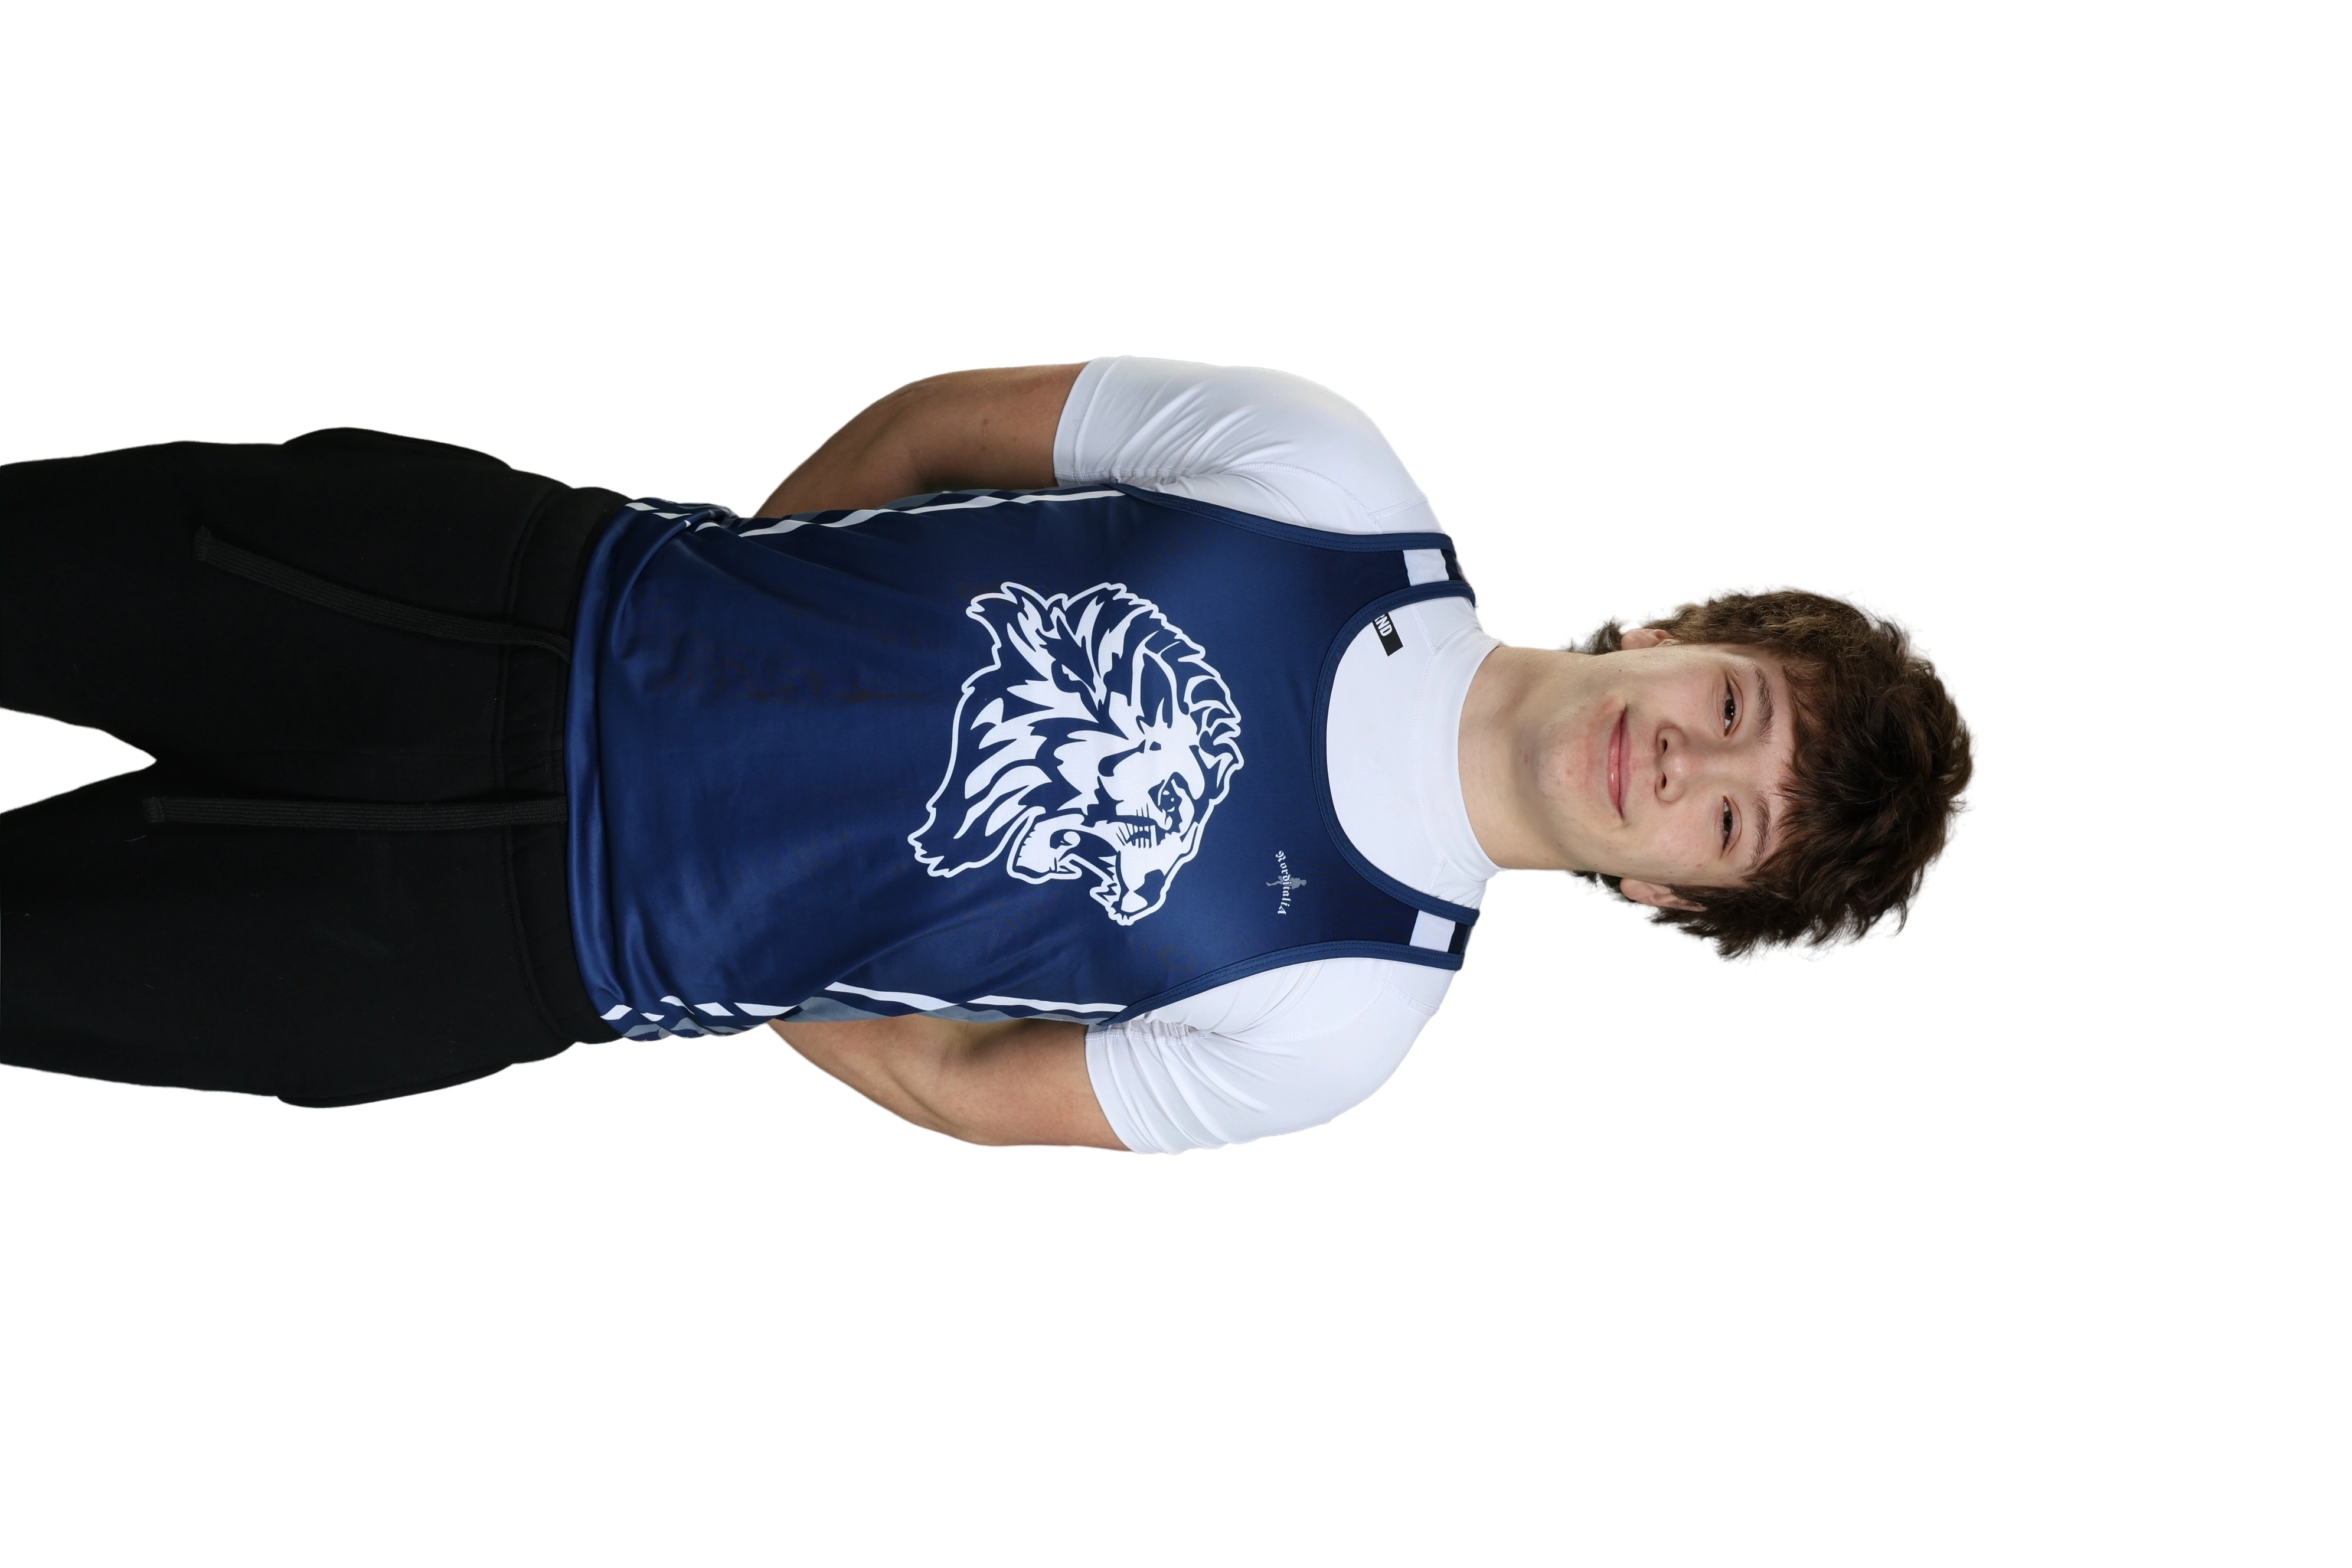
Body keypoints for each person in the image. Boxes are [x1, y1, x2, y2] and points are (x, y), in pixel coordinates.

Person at [1, 357, 1981, 1152]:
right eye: (1740, 708)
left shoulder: (1341, 1021)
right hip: (486, 597)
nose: (1683, 764)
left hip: (473, 946)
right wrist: (742, 619)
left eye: (1734, 826)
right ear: (1691, 629)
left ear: (1669, 897)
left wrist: (743, 924)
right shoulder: (1329, 479)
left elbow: (967, 1088)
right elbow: (934, 433)